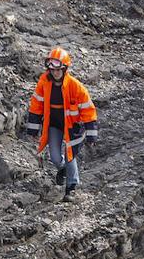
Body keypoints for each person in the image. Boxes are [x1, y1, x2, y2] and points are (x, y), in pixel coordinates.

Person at [24, 47, 98, 201]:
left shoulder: (75, 87)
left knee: (71, 155)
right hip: (54, 125)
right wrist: (32, 130)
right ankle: (63, 169)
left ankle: (72, 187)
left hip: (72, 126)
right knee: (56, 157)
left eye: (59, 69)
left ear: (65, 69)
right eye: (53, 70)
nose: (55, 73)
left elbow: (88, 110)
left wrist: (91, 134)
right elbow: (36, 105)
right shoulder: (44, 83)